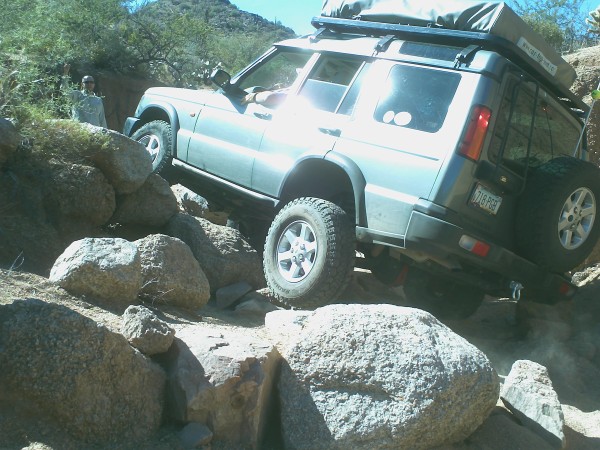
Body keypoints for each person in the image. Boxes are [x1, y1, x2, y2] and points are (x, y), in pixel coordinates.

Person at [61, 64, 107, 128]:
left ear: (94, 84)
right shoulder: (77, 95)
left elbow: (102, 119)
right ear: (82, 84)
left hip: (95, 131)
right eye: (86, 82)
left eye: (91, 82)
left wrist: (105, 132)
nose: (89, 84)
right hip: (80, 131)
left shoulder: (98, 100)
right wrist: (65, 74)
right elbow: (65, 90)